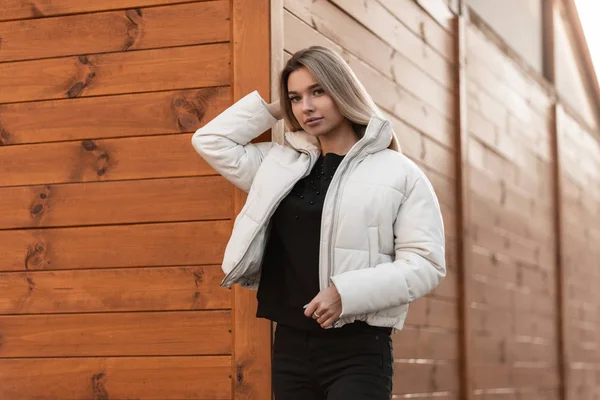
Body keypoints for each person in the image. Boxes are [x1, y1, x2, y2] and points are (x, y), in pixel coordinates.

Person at [191, 45, 446, 400]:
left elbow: (426, 264)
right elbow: (211, 140)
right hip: (291, 345)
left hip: (359, 348)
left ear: (343, 90)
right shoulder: (279, 166)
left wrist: (346, 292)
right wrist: (278, 106)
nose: (306, 107)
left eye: (318, 91)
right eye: (296, 97)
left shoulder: (399, 173)